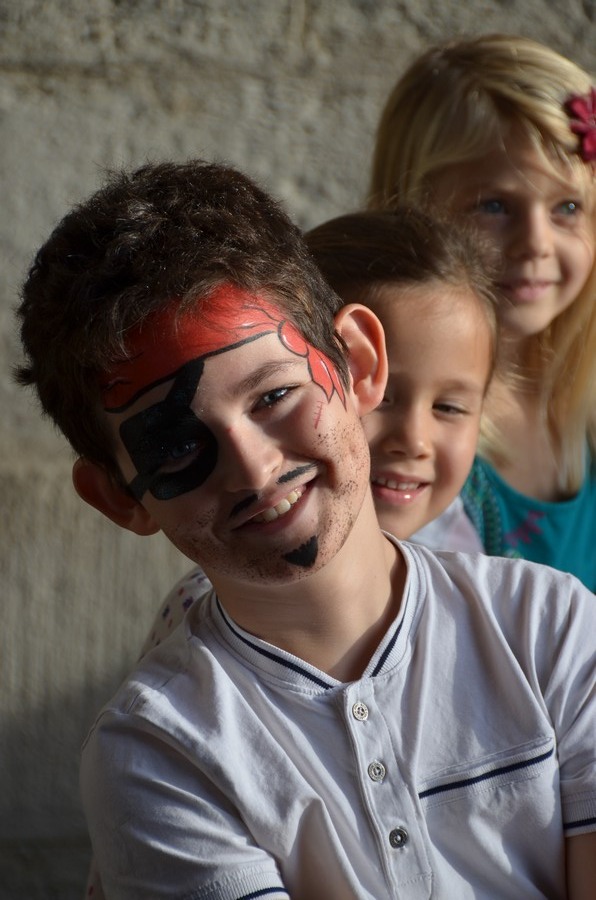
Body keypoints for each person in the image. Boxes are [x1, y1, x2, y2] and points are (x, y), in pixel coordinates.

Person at [16, 160, 596, 898]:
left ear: (358, 363)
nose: (255, 469)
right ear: (116, 498)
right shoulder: (158, 751)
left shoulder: (551, 630)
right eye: (177, 445)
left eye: (275, 396)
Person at [140, 207, 496, 654]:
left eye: (449, 407)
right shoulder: (213, 616)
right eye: (384, 397)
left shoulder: (487, 569)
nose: (413, 440)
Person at [369, 33, 596, 590]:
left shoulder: (583, 408)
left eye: (567, 207)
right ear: (409, 209)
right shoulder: (399, 435)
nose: (536, 242)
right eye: (494, 206)